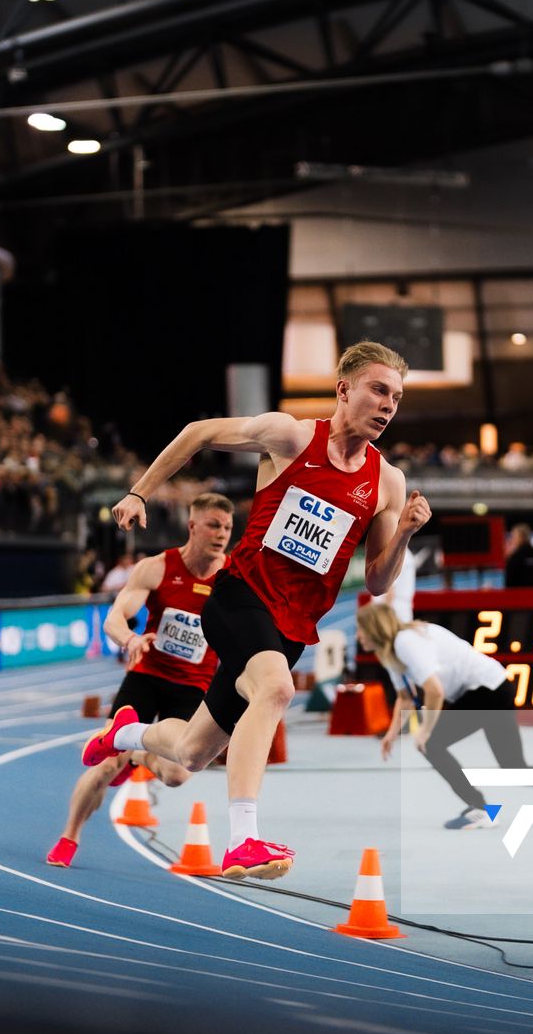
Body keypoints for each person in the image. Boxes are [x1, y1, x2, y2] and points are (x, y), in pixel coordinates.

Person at [79, 342, 431, 879]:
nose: (388, 405)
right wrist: (140, 493)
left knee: (193, 753)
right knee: (277, 689)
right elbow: (198, 432)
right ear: (344, 390)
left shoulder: (387, 482)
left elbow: (380, 581)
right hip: (239, 596)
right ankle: (244, 840)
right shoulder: (289, 436)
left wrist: (403, 532)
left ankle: (122, 735)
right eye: (378, 390)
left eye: (397, 397)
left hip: (293, 625)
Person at [47, 493, 233, 868]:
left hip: (193, 686)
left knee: (179, 774)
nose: (221, 534)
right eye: (213, 525)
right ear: (192, 526)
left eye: (228, 527)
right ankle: (69, 837)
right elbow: (115, 617)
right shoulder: (158, 567)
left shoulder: (232, 578)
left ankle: (138, 750)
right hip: (146, 676)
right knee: (104, 767)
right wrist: (130, 638)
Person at [359, 601, 533, 831]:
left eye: (361, 629)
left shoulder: (405, 641)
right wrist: (391, 734)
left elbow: (434, 690)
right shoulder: (390, 651)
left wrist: (425, 731)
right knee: (514, 767)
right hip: (495, 686)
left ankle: (479, 808)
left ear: (374, 628)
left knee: (431, 743)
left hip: (487, 691)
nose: (359, 636)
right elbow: (405, 697)